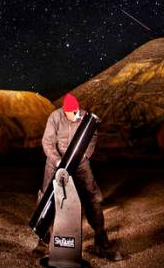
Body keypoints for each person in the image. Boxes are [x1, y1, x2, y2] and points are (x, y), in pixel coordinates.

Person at [34, 93, 113, 257]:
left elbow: (93, 136)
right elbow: (47, 142)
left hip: (80, 163)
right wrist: (57, 161)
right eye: (73, 113)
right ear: (65, 111)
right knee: (46, 196)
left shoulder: (84, 116)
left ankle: (101, 236)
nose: (77, 115)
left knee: (92, 196)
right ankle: (43, 238)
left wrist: (85, 155)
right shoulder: (54, 117)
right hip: (55, 163)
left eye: (78, 111)